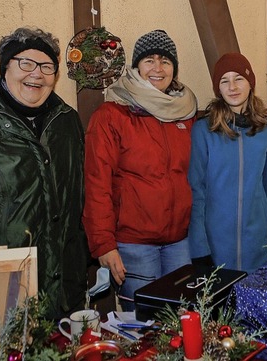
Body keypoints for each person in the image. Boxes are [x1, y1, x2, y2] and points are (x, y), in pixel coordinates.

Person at [0, 27, 88, 319]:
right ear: (4, 68)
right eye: (26, 63)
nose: (36, 74)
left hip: (63, 291)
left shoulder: (67, 123)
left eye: (47, 66)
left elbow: (78, 201)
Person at [83, 29, 197, 311]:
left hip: (179, 241)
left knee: (181, 320)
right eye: (149, 60)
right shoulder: (112, 115)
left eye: (165, 61)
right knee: (143, 325)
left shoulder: (185, 113)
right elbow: (97, 183)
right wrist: (104, 245)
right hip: (133, 244)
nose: (158, 68)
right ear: (136, 67)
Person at [188, 53, 267, 274]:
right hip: (216, 245)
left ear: (250, 83)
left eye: (238, 78)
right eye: (224, 80)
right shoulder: (203, 131)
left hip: (259, 246)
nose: (232, 87)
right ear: (217, 88)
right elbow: (196, 190)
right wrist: (199, 247)